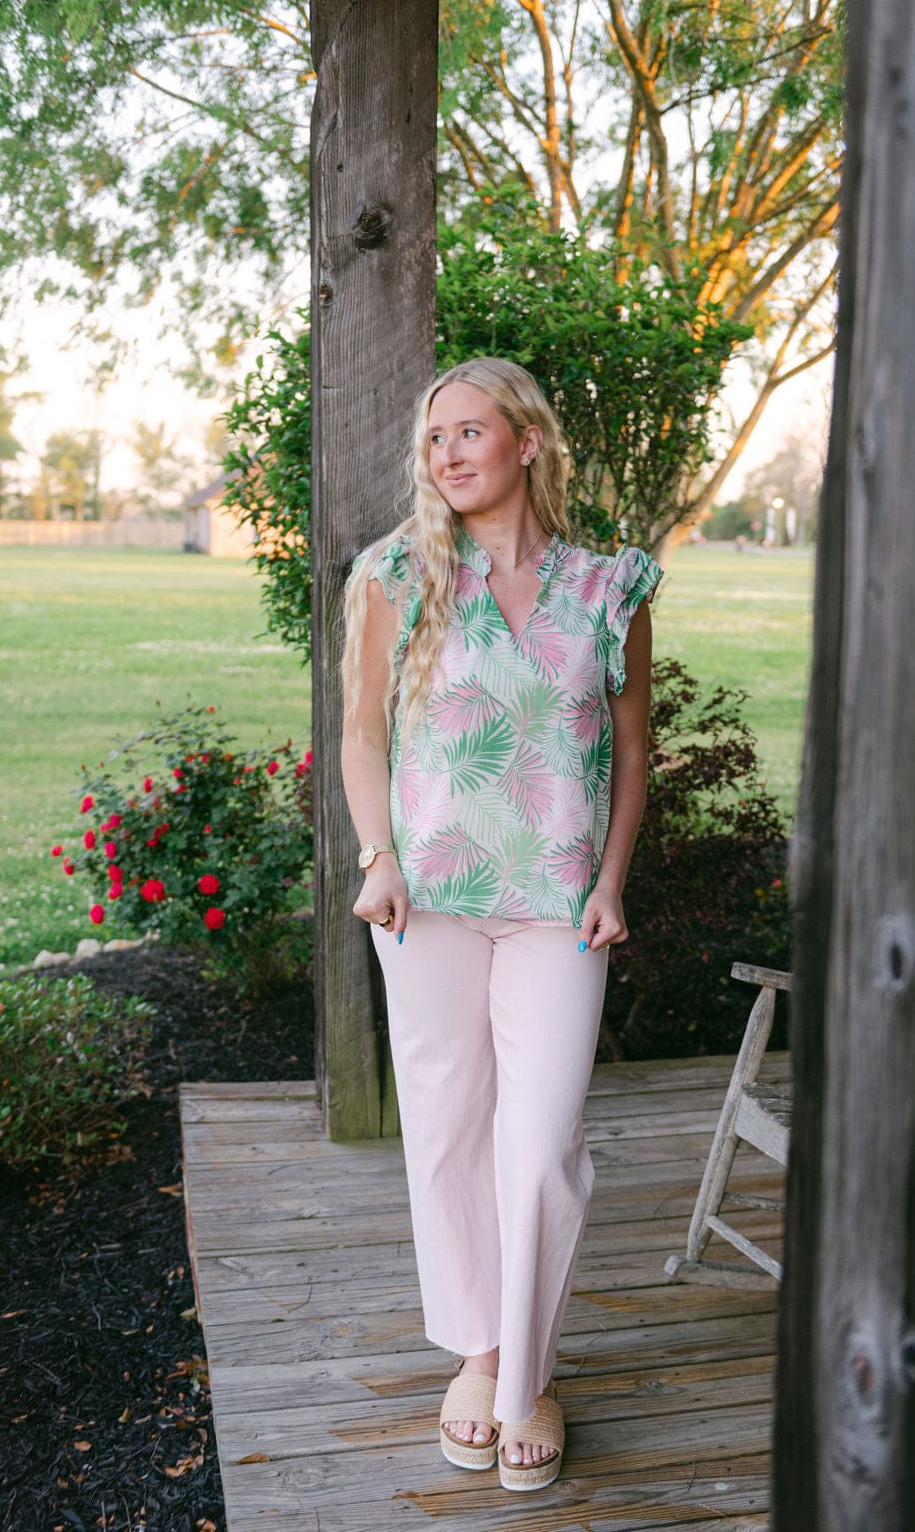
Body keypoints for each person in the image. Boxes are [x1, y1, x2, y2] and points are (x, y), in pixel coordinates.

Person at [340, 357, 661, 1492]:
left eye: (469, 432)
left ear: (527, 440)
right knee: (446, 1130)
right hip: (425, 902)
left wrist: (611, 881)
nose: (448, 455)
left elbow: (632, 748)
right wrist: (376, 856)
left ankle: (528, 1371)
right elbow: (363, 733)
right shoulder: (398, 574)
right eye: (435, 439)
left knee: (541, 1146)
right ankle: (486, 1362)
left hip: (559, 908)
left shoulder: (610, 585)